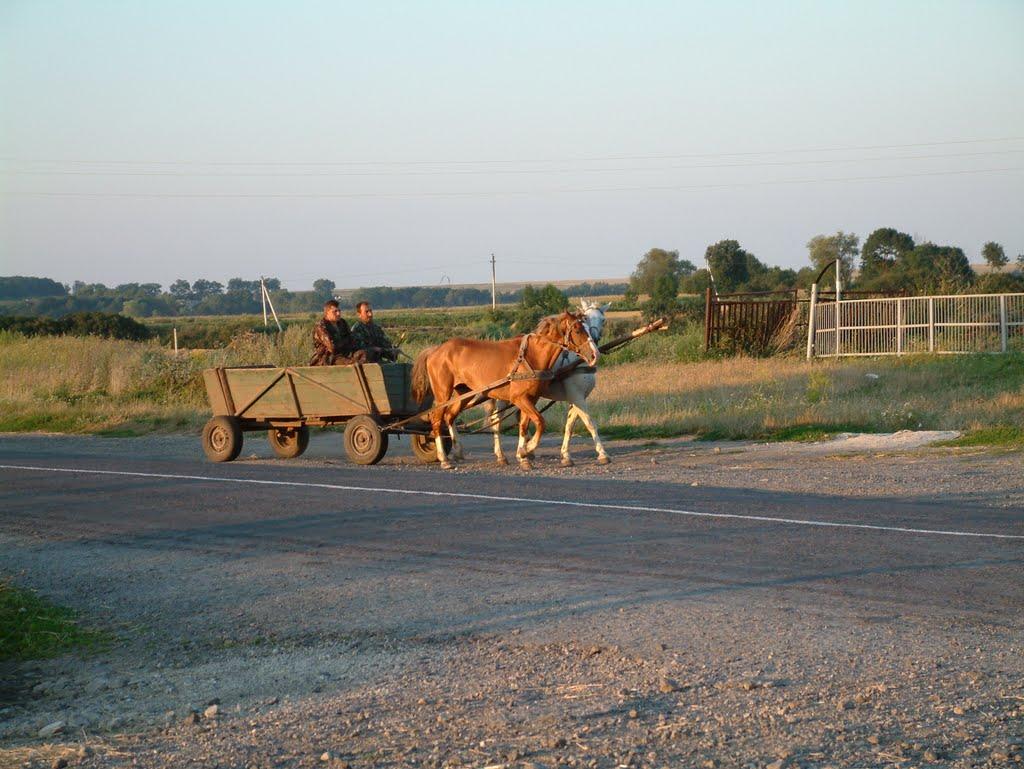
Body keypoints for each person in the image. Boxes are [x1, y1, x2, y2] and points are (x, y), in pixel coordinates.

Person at [310, 299, 366, 366]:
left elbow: (352, 340)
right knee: (348, 362)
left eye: (339, 311)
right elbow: (332, 348)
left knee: (363, 354)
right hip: (326, 359)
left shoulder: (342, 323)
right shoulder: (321, 326)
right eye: (335, 312)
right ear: (327, 313)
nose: (338, 314)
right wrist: (346, 342)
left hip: (343, 355)